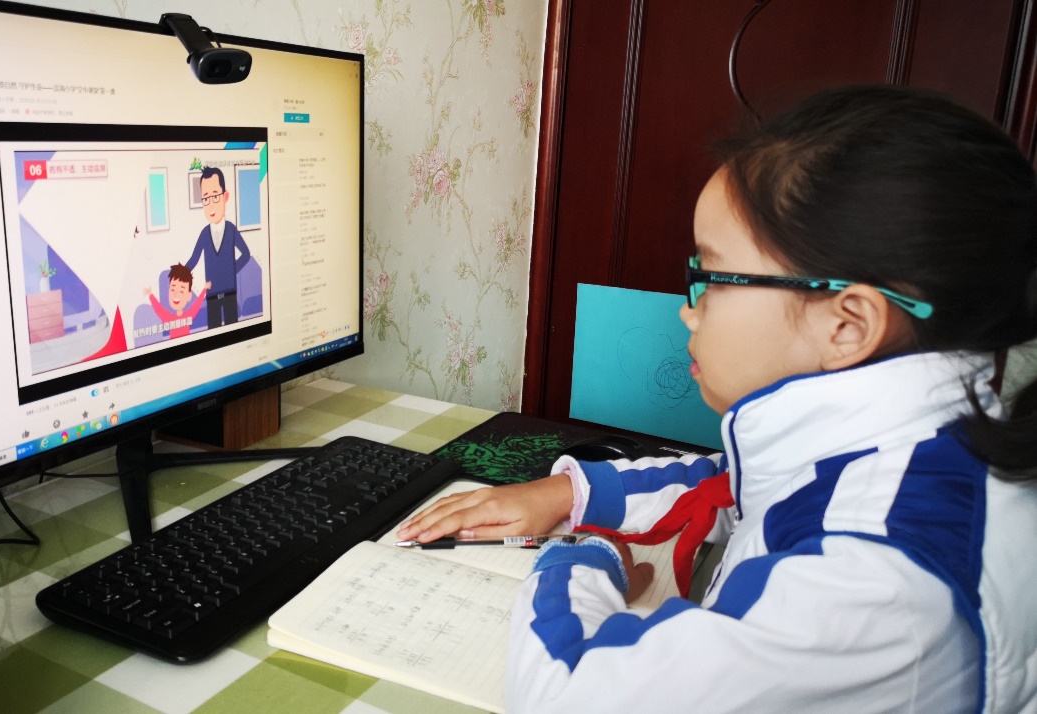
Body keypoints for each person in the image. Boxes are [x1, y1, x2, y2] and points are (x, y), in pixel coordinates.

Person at [397, 85, 1037, 712]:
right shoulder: (927, 445)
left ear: (847, 324)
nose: (688, 311)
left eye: (710, 277)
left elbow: (565, 696)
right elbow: (743, 487)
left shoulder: (871, 579)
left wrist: (580, 557)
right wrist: (568, 493)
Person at [186, 166, 251, 328]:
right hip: (212, 293)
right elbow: (194, 259)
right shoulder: (204, 233)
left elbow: (246, 254)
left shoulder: (231, 229)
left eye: (215, 197)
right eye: (205, 199)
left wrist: (231, 270)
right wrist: (181, 275)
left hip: (230, 291)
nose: (211, 205)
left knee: (232, 329)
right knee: (213, 329)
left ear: (225, 196)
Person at [143, 263, 208, 339]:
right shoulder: (170, 319)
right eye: (173, 290)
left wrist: (204, 289)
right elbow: (159, 309)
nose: (176, 294)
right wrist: (150, 295)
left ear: (189, 296)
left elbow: (197, 305)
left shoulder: (188, 316)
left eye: (181, 291)